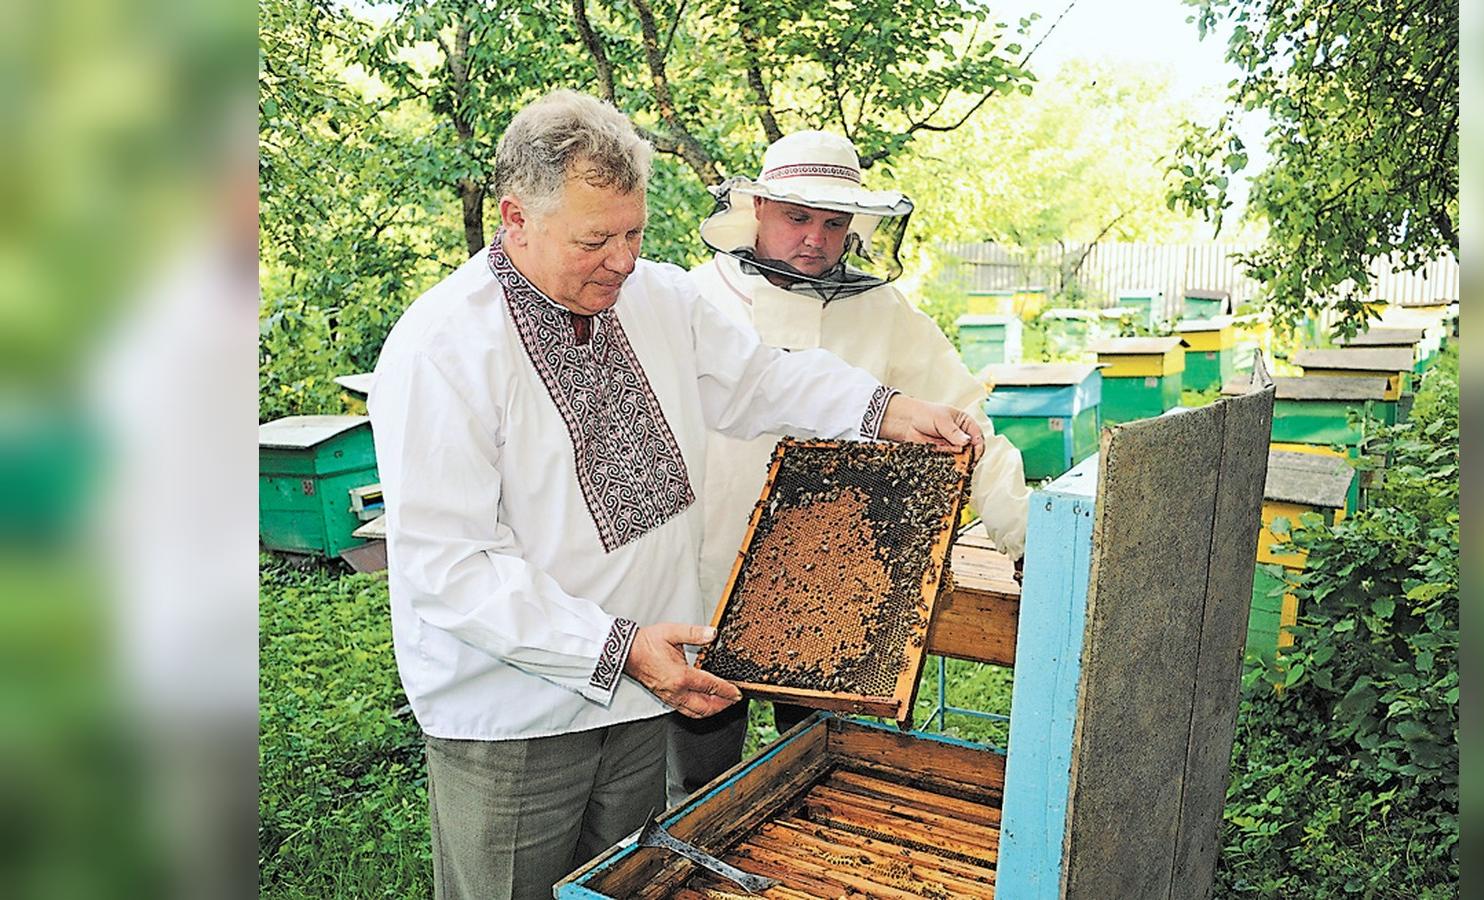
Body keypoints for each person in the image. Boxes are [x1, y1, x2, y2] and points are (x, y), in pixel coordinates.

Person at [367, 91, 984, 900]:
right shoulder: (442, 348)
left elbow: (760, 378)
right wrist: (616, 646)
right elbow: (450, 565)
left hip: (641, 690)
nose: (621, 260)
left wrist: (885, 409)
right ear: (514, 218)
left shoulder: (658, 298)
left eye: (633, 232)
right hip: (516, 712)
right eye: (595, 239)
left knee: (627, 886)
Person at [666, 130, 1030, 807]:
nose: (814, 237)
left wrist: (1025, 534)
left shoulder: (884, 312)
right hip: (706, 564)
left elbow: (962, 419)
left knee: (826, 768)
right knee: (699, 773)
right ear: (757, 210)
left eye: (833, 223)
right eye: (797, 217)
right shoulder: (693, 300)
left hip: (839, 576)